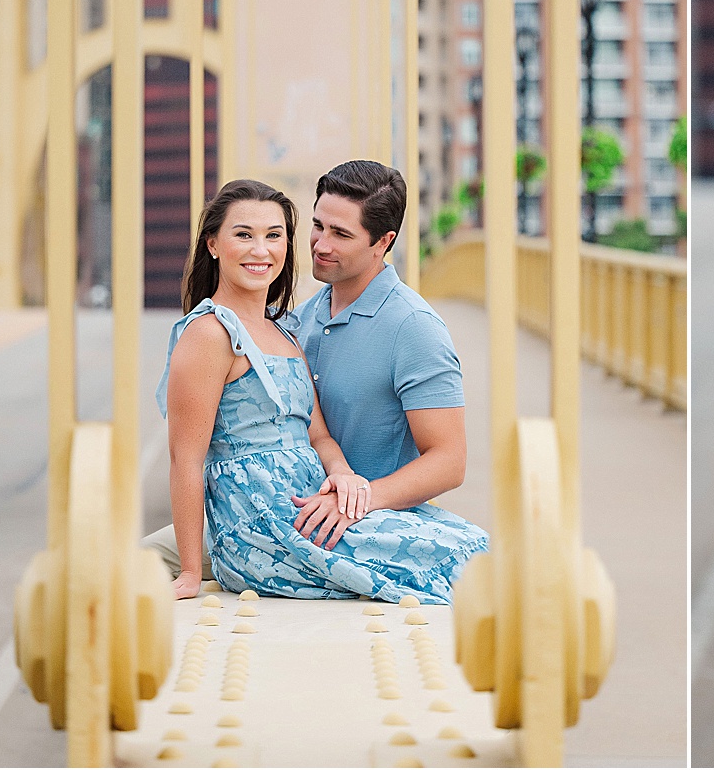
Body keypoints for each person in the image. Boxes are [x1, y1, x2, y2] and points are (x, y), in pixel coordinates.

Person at [157, 176, 486, 602]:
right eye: (318, 227)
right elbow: (186, 457)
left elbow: (320, 435)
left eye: (274, 236)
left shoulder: (293, 332)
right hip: (260, 520)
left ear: (382, 242)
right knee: (463, 565)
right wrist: (188, 571)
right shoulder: (231, 330)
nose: (321, 244)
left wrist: (349, 484)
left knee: (471, 547)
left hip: (322, 504)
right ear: (213, 244)